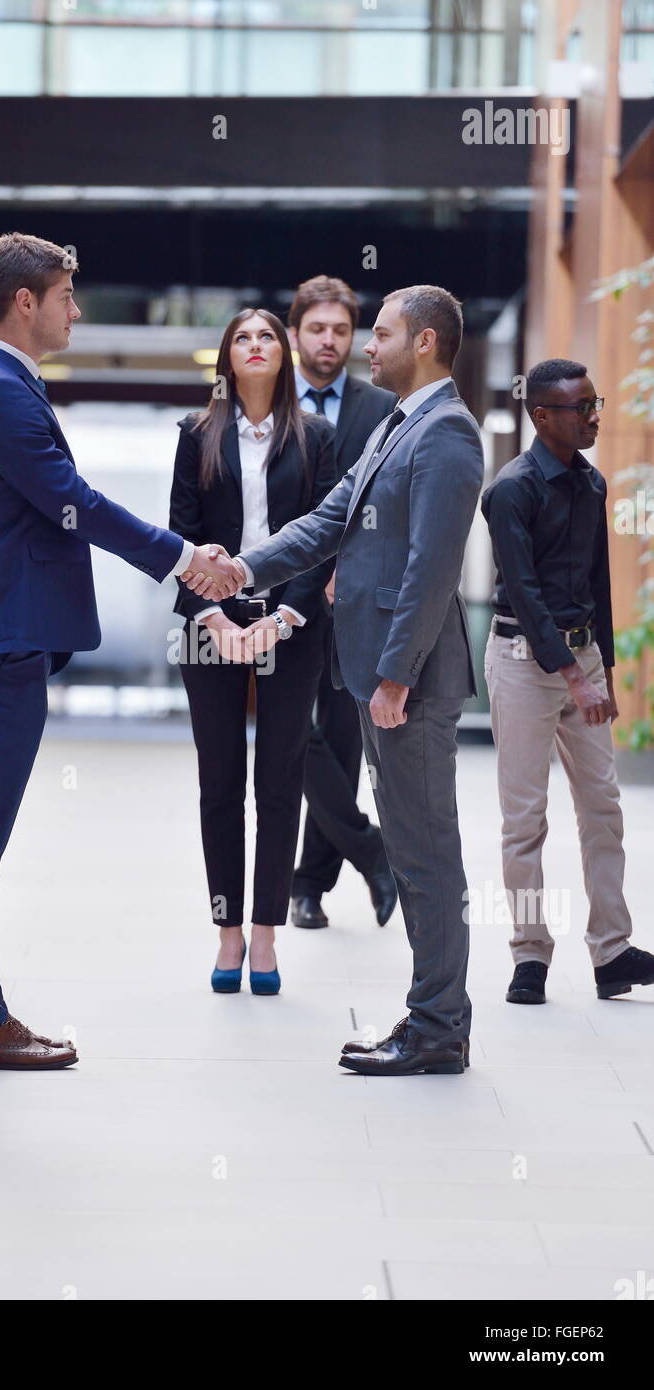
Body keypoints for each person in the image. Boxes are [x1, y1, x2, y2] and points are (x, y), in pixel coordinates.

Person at [0, 231, 230, 1071]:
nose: (75, 310)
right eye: (64, 296)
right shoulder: (0, 390)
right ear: (25, 302)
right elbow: (71, 503)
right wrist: (178, 555)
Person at [183, 285, 484, 1076]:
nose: (364, 347)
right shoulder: (395, 424)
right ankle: (432, 1018)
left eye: (378, 334)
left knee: (424, 853)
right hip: (382, 671)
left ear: (422, 343)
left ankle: (438, 1026)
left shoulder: (447, 431)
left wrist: (392, 677)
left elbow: (430, 569)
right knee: (416, 846)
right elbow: (325, 525)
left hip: (407, 678)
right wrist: (242, 567)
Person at [170, 308, 337, 996]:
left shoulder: (317, 436)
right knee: (219, 784)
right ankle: (227, 931)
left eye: (267, 334)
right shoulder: (196, 433)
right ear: (227, 359)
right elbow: (178, 532)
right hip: (210, 621)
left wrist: (287, 613)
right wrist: (212, 616)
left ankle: (265, 934)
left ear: (283, 352)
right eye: (242, 337)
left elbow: (328, 529)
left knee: (278, 782)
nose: (256, 344)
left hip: (290, 622)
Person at [480, 358, 654, 1005]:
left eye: (593, 402)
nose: (592, 416)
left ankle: (611, 953)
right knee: (524, 821)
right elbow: (523, 593)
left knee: (602, 808)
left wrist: (600, 671)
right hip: (524, 663)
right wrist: (570, 677)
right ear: (540, 416)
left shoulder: (592, 484)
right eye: (579, 406)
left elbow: (596, 585)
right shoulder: (510, 490)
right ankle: (529, 955)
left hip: (579, 662)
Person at [287, 275, 397, 931]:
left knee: (342, 739)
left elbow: (385, 503)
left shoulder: (380, 406)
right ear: (295, 330)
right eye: (316, 328)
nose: (328, 341)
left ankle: (309, 886)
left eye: (339, 330)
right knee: (290, 735)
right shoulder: (269, 404)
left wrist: (349, 571)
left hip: (353, 601)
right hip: (282, 598)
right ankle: (369, 848)